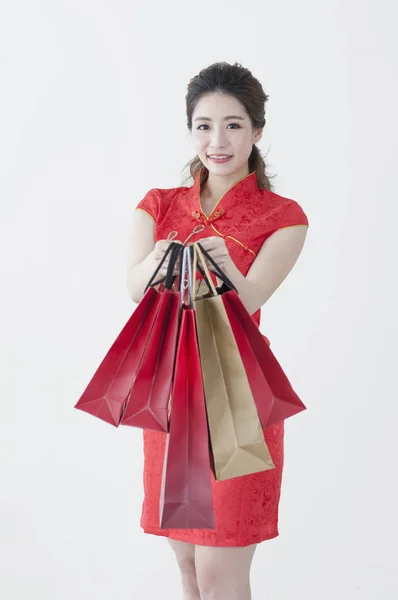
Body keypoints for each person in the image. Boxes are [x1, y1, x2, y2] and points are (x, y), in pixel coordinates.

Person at [126, 61, 309, 600]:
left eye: (233, 125)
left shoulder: (283, 215)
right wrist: (160, 257)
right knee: (186, 568)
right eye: (204, 125)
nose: (218, 140)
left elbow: (250, 300)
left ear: (257, 130)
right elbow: (135, 288)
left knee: (219, 574)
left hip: (237, 399)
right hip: (169, 398)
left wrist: (225, 263)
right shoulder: (157, 205)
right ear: (191, 132)